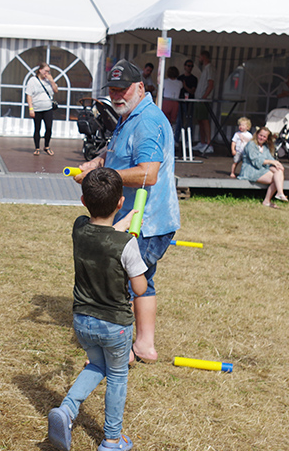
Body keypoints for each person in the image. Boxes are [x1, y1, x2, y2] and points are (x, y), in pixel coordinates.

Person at [74, 59, 181, 366]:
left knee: (121, 282)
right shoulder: (130, 114)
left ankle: (120, 353)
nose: (117, 95)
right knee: (143, 278)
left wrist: (102, 178)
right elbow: (118, 150)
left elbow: (148, 172)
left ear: (140, 87)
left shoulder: (148, 121)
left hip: (145, 221)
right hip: (135, 217)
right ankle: (145, 346)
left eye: (123, 89)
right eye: (113, 89)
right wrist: (97, 162)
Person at [47, 167, 148, 451]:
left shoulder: (79, 227)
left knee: (97, 365)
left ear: (83, 200)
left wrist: (125, 223)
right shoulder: (127, 243)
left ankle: (67, 409)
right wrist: (133, 247)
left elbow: (101, 232)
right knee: (116, 376)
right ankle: (112, 440)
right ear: (120, 202)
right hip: (114, 324)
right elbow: (140, 289)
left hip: (82, 321)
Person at [238, 127, 288, 207]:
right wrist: (271, 162)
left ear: (267, 139)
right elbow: (255, 161)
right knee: (276, 178)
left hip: (261, 169)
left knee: (278, 171)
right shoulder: (251, 144)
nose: (261, 138)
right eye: (260, 135)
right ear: (257, 134)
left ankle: (279, 193)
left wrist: (278, 164)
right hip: (251, 170)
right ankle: (269, 199)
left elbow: (270, 159)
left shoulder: (265, 147)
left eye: (264, 136)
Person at [25, 62, 59, 156]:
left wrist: (52, 81)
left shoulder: (48, 80)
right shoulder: (32, 80)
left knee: (48, 127)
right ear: (40, 70)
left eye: (48, 71)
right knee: (37, 128)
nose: (47, 73)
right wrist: (31, 108)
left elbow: (56, 90)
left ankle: (47, 146)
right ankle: (37, 147)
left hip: (47, 107)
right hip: (37, 108)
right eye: (46, 71)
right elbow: (29, 95)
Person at [192, 50, 215, 154]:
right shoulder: (205, 68)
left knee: (204, 120)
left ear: (204, 57)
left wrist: (204, 97)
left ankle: (208, 143)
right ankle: (202, 142)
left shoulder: (209, 68)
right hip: (199, 98)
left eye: (200, 57)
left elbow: (211, 84)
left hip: (203, 99)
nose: (199, 59)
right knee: (200, 120)